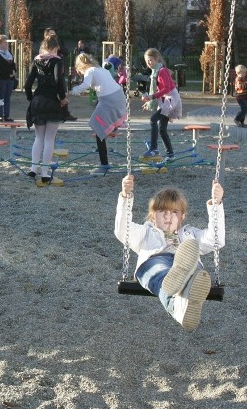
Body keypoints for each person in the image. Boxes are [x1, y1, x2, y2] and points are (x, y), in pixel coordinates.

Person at [115, 174, 225, 332]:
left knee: (194, 271)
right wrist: (125, 197)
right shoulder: (145, 232)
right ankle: (177, 285)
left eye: (174, 212)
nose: (168, 216)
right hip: (155, 261)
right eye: (162, 211)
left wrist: (216, 205)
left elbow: (216, 240)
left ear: (182, 217)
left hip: (186, 262)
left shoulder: (190, 234)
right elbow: (122, 231)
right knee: (160, 273)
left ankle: (181, 303)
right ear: (153, 217)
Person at [68, 53, 126, 175]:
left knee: (96, 124)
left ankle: (104, 165)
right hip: (118, 95)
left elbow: (85, 85)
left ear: (80, 66)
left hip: (109, 99)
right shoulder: (100, 69)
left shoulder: (90, 71)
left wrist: (72, 91)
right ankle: (111, 128)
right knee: (99, 122)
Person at [24, 33, 68, 187]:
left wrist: (31, 98)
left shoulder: (36, 60)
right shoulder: (56, 60)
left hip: (38, 100)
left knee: (38, 138)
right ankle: (44, 173)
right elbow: (58, 80)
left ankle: (33, 168)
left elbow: (28, 83)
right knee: (50, 139)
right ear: (55, 48)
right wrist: (62, 97)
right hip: (51, 101)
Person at [141, 48, 181, 161]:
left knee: (153, 120)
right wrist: (149, 102)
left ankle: (154, 149)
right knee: (162, 129)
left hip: (171, 99)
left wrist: (152, 97)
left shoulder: (162, 71)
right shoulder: (156, 71)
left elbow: (167, 88)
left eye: (150, 60)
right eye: (147, 61)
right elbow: (159, 91)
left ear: (156, 59)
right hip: (166, 100)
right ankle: (170, 154)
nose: (148, 63)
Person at [43, 27, 77, 121]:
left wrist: (58, 47)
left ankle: (65, 113)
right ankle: (53, 113)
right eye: (51, 34)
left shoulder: (58, 43)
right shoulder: (44, 45)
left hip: (60, 70)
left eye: (54, 34)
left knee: (63, 90)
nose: (54, 36)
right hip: (49, 73)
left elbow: (65, 52)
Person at [0, 34, 16, 122]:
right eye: (4, 43)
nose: (6, 44)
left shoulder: (9, 53)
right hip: (2, 79)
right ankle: (0, 115)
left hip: (10, 79)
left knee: (7, 97)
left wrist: (14, 71)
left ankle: (6, 115)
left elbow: (13, 64)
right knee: (1, 97)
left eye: (6, 43)